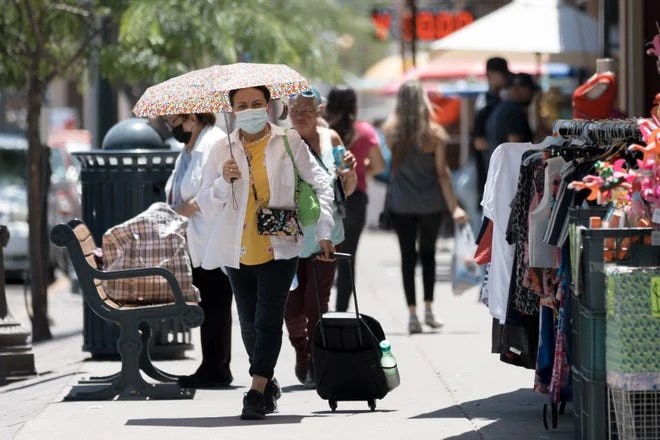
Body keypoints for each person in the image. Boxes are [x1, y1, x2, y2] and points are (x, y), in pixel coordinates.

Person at [195, 85, 336, 420]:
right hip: (237, 248)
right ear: (231, 110)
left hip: (280, 244)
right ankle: (268, 379)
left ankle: (256, 391)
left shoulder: (287, 141)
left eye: (257, 103)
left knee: (269, 317)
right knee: (247, 324)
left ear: (269, 105)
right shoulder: (221, 149)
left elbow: (320, 182)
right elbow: (205, 204)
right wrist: (222, 182)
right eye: (242, 105)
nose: (251, 110)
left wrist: (325, 230)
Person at [283, 91, 358, 388]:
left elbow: (346, 188)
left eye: (306, 109)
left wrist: (349, 172)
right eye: (294, 109)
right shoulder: (281, 141)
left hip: (327, 234)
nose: (300, 114)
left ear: (319, 110)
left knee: (317, 301)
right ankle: (300, 347)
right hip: (289, 236)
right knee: (290, 304)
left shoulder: (332, 139)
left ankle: (316, 357)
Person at [382, 81, 468, 334]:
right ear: (423, 103)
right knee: (428, 255)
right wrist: (454, 207)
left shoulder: (390, 133)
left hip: (401, 203)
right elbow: (442, 174)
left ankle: (412, 315)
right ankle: (429, 309)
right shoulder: (435, 134)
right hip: (430, 202)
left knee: (407, 258)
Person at [162, 112, 234, 389]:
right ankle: (213, 365)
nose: (171, 128)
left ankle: (216, 369)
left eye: (173, 122)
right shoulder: (188, 149)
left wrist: (188, 207)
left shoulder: (214, 143)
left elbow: (217, 187)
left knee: (216, 303)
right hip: (194, 239)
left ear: (192, 117)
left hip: (213, 237)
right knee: (209, 303)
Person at [323, 86, 386, 312]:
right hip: (355, 198)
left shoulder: (323, 130)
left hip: (325, 198)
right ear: (354, 107)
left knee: (321, 255)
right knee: (348, 257)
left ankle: (320, 307)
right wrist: (361, 173)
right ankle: (340, 312)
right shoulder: (365, 131)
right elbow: (379, 165)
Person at [472, 56, 511, 195]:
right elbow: (479, 142)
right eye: (502, 74)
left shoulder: (504, 98)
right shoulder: (485, 102)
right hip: (488, 171)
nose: (505, 78)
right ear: (490, 75)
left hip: (500, 170)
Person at [486, 72, 538, 157]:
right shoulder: (514, 110)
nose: (532, 95)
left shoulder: (501, 108)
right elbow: (515, 147)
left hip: (498, 167)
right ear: (517, 89)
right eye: (530, 90)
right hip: (511, 168)